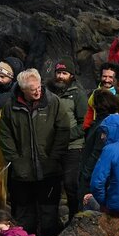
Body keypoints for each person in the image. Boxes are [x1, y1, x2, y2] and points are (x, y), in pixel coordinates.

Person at [0, 68, 73, 236]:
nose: (38, 91)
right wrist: (15, 160)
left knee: (49, 214)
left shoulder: (53, 102)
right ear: (23, 90)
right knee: (25, 216)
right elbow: (5, 134)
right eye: (33, 89)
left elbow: (63, 130)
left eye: (39, 87)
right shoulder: (10, 107)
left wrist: (54, 156)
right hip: (22, 172)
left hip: (49, 169)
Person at [48, 59, 89, 221]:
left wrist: (65, 136)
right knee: (52, 185)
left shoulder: (78, 94)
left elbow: (84, 123)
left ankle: (74, 218)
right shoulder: (49, 92)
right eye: (58, 73)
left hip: (73, 147)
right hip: (52, 147)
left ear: (71, 75)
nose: (60, 76)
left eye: (64, 73)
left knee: (71, 184)